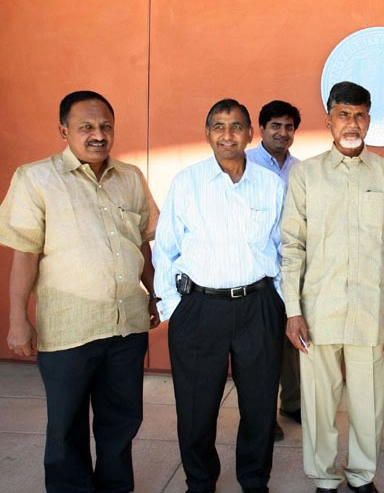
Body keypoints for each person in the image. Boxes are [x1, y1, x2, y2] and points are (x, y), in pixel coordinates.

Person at [0, 90, 159, 492]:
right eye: (86, 126)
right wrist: (18, 319)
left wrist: (153, 294)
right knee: (67, 425)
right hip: (69, 328)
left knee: (121, 420)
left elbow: (142, 244)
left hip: (126, 326)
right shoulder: (36, 178)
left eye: (106, 126)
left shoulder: (130, 178)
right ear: (63, 131)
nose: (98, 135)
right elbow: (25, 255)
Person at [281, 81, 384, 493]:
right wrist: (292, 310)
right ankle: (323, 477)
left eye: (359, 115)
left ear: (369, 120)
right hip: (317, 310)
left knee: (368, 403)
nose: (351, 123)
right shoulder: (306, 175)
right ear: (329, 119)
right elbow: (292, 246)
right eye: (343, 114)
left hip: (372, 310)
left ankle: (361, 476)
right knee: (318, 403)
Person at [154, 99, 285, 493]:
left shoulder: (271, 184)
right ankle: (200, 481)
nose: (227, 135)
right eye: (218, 126)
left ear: (249, 133)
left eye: (236, 126)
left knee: (260, 405)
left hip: (258, 306)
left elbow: (283, 249)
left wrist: (280, 304)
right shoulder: (187, 182)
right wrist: (174, 307)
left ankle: (254, 480)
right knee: (196, 407)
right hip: (200, 307)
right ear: (208, 133)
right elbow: (165, 248)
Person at [247, 100, 303, 438]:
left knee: (293, 341)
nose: (282, 132)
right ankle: (263, 416)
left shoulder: (301, 170)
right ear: (262, 129)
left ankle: (292, 403)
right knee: (261, 350)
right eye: (275, 126)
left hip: (293, 270)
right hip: (260, 271)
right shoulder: (246, 164)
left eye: (288, 127)